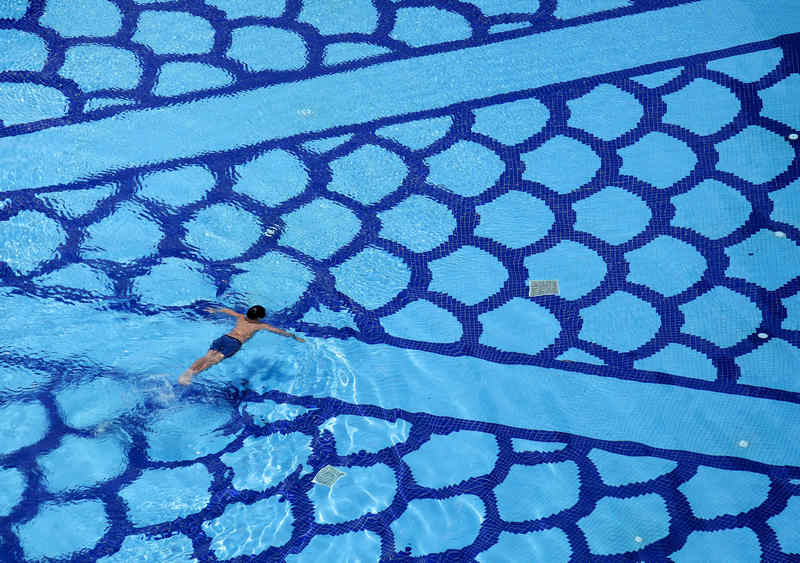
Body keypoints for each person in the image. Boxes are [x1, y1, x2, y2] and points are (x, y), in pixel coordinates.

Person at [179, 305, 305, 385]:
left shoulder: (241, 317)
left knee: (207, 356)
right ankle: (193, 375)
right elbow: (279, 331)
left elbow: (227, 310)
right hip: (234, 344)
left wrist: (214, 310)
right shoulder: (260, 325)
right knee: (213, 361)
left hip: (225, 337)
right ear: (259, 318)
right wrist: (294, 336)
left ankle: (188, 372)